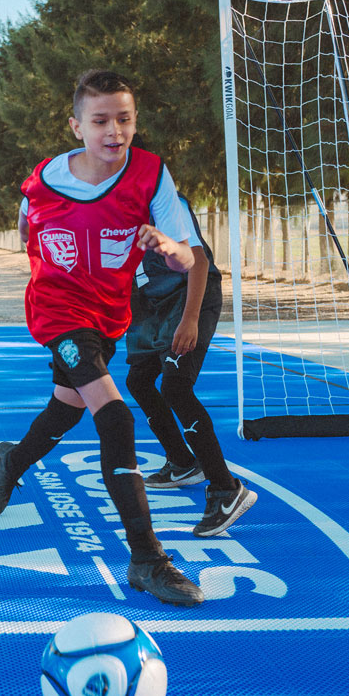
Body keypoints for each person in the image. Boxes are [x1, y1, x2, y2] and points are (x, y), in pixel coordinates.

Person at [0, 69, 206, 607]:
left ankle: (13, 461)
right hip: (57, 312)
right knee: (115, 415)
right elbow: (24, 226)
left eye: (124, 119)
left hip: (108, 317)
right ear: (77, 126)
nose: (115, 131)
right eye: (101, 120)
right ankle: (147, 558)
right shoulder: (43, 179)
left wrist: (165, 246)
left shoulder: (151, 175)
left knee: (65, 410)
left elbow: (187, 254)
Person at [124, 175, 256, 536]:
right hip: (152, 305)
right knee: (138, 380)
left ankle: (225, 489)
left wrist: (191, 320)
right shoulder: (113, 212)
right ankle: (183, 463)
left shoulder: (168, 206)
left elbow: (197, 263)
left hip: (188, 299)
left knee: (176, 387)